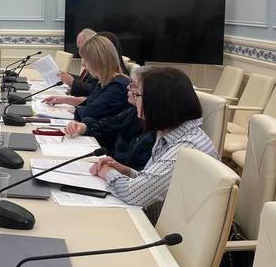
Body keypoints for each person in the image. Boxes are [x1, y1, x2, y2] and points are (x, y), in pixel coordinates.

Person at [89, 67, 218, 215]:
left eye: (137, 95)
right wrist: (125, 171)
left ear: (157, 103)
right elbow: (152, 182)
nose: (135, 100)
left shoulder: (186, 148)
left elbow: (134, 194)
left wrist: (107, 172)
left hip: (164, 225)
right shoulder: (171, 134)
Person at [65, 67, 154, 170]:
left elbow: (137, 170)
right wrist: (83, 127)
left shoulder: (156, 133)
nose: (128, 87)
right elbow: (107, 125)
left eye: (134, 86)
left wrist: (114, 168)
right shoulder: (133, 112)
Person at [44, 35, 130, 122]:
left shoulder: (117, 86)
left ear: (97, 61)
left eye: (86, 60)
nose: (83, 64)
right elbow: (91, 101)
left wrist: (77, 111)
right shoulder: (105, 81)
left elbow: (90, 112)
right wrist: (64, 99)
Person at [59, 28, 97, 96]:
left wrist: (73, 82)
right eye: (78, 48)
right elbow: (83, 80)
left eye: (81, 48)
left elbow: (93, 90)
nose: (79, 52)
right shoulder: (89, 58)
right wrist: (68, 76)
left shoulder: (98, 62)